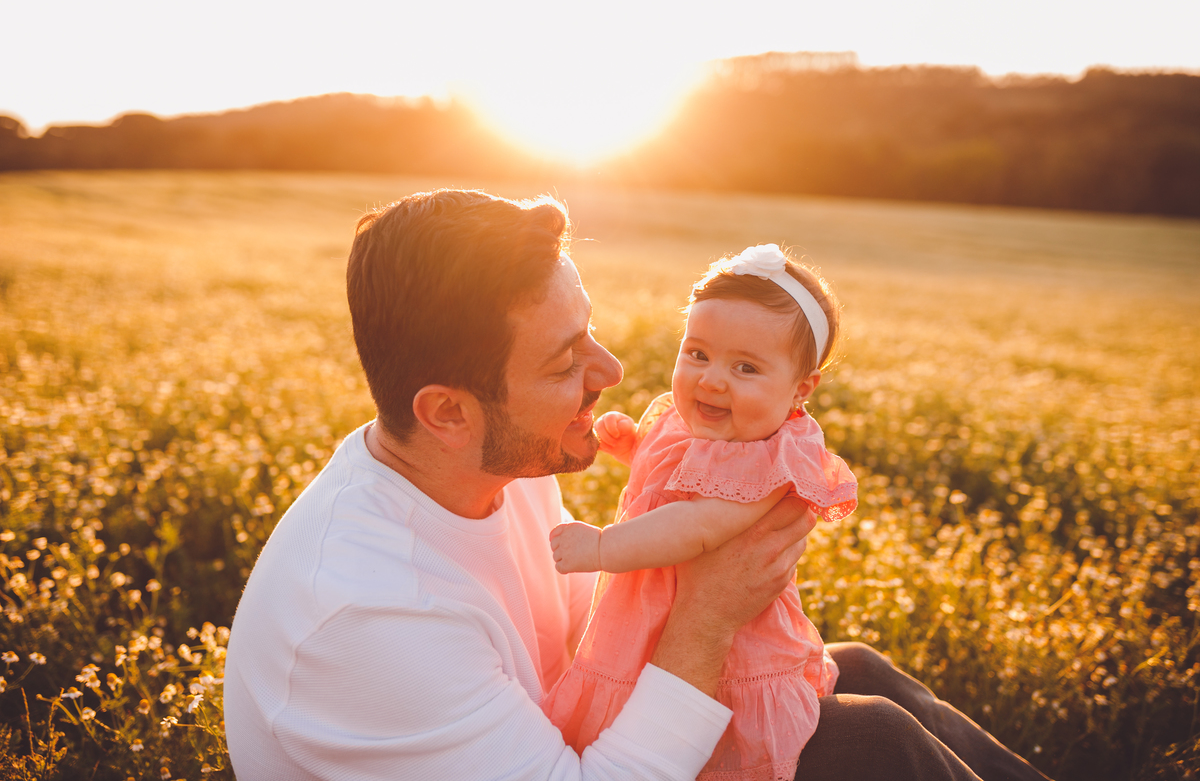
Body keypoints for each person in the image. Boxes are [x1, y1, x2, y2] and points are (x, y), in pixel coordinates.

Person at [222, 188, 1051, 781]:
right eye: (564, 360)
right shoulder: (370, 614)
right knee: (875, 747)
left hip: (564, 732)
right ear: (447, 411)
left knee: (861, 671)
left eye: (590, 333)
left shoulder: (493, 466)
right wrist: (709, 618)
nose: (612, 372)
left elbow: (598, 629)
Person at [543, 243, 857, 781]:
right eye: (698, 354)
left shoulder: (769, 460)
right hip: (672, 622)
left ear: (800, 390)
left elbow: (697, 526)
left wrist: (601, 548)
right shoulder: (708, 428)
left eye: (745, 367)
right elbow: (682, 483)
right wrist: (638, 449)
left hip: (725, 660)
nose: (712, 380)